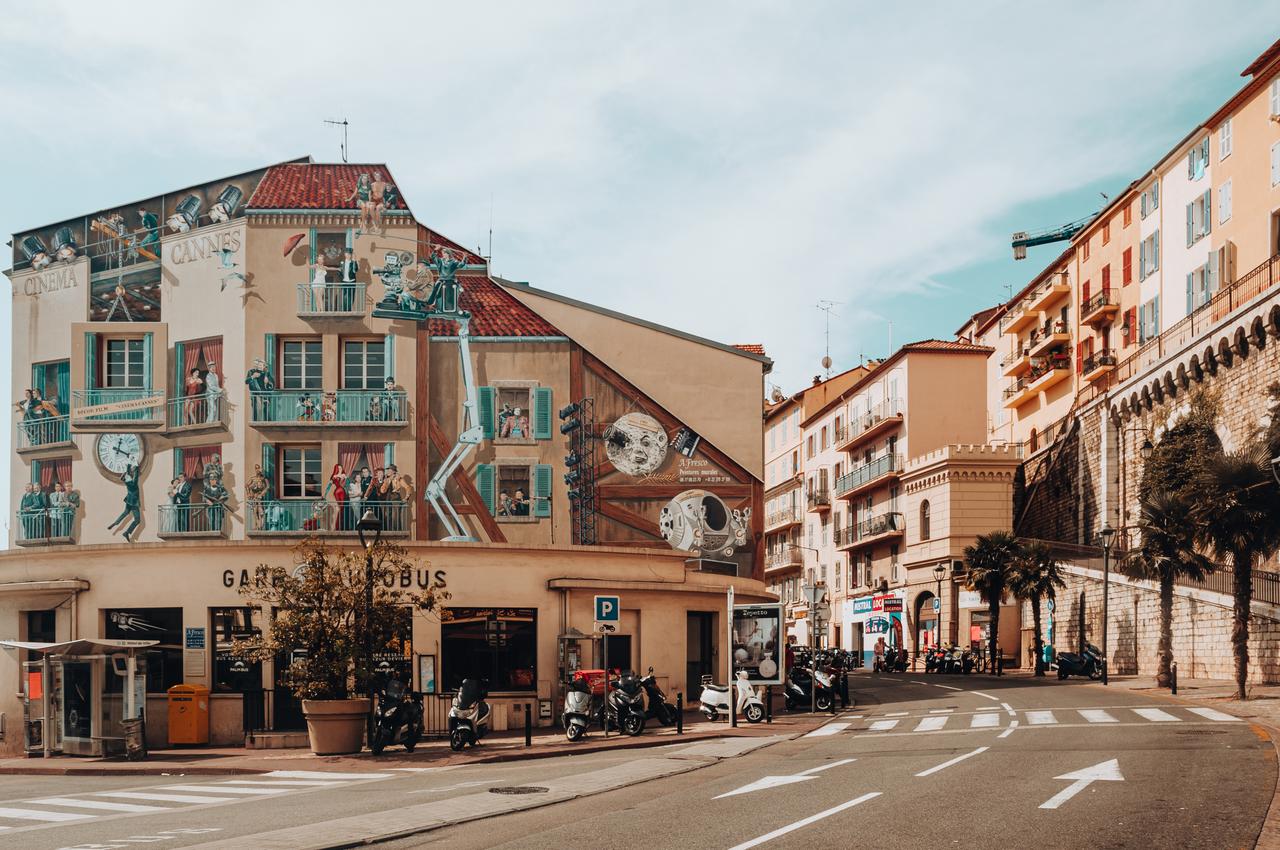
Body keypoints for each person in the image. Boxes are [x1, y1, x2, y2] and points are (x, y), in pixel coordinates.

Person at [107, 464, 143, 542]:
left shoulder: (127, 482)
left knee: (125, 513)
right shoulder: (133, 484)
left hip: (129, 500)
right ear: (127, 478)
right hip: (134, 502)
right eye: (128, 475)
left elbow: (128, 473)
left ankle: (115, 523)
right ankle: (127, 532)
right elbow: (136, 476)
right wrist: (136, 467)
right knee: (137, 520)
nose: (130, 475)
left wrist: (129, 466)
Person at [325, 464, 348, 531]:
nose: (340, 469)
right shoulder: (334, 476)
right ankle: (338, 526)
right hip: (337, 492)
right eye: (338, 468)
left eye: (341, 468)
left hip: (343, 492)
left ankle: (341, 526)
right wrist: (325, 494)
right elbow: (329, 485)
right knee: (340, 508)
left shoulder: (344, 475)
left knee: (342, 508)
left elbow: (348, 484)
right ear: (336, 469)